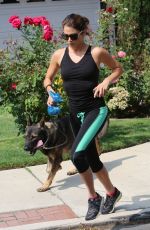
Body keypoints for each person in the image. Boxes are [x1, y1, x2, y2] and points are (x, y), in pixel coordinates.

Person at [43, 13, 123, 221]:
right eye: (65, 36)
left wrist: (106, 81)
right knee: (92, 159)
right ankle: (112, 193)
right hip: (74, 114)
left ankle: (92, 197)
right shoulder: (59, 55)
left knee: (77, 155)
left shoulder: (96, 53)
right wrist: (50, 92)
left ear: (84, 32)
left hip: (96, 110)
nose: (69, 40)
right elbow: (47, 78)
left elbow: (117, 68)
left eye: (73, 36)